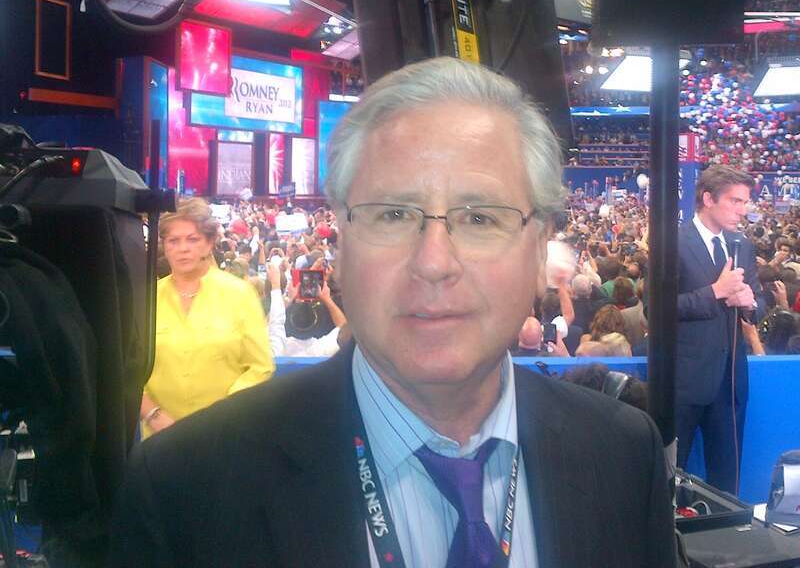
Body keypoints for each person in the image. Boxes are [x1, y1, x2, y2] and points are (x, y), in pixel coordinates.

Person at [110, 57, 675, 567]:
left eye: (480, 219)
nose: (434, 263)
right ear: (341, 244)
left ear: (537, 250)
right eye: (392, 215)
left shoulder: (625, 456)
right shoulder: (184, 488)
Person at [138, 198, 275, 439]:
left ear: (209, 243)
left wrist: (221, 416)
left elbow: (260, 367)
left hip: (225, 435)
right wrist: (155, 416)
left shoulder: (240, 294)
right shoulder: (146, 299)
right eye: (174, 240)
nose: (183, 248)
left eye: (193, 239)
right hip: (159, 440)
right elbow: (128, 371)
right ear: (164, 245)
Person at [676, 165, 767, 495]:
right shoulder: (674, 242)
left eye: (745, 202)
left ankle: (726, 543)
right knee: (670, 474)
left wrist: (749, 303)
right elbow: (655, 311)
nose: (743, 210)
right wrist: (716, 292)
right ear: (708, 199)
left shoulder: (742, 244)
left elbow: (759, 303)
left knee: (727, 484)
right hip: (683, 384)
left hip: (729, 384)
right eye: (735, 201)